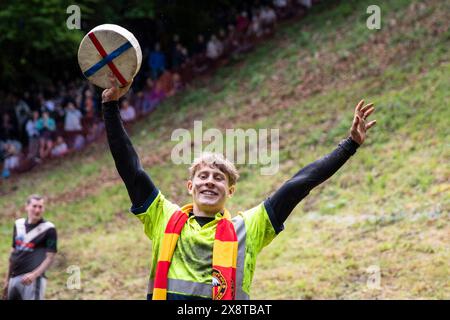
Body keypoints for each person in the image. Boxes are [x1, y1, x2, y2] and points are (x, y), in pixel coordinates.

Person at [101, 78, 376, 300]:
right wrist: (110, 106)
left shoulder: (249, 227)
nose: (210, 181)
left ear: (230, 191)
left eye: (219, 178)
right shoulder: (163, 217)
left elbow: (299, 184)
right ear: (190, 186)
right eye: (203, 176)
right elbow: (131, 169)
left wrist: (348, 146)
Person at [2, 195, 57, 300]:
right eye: (34, 206)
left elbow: (50, 257)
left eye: (40, 207)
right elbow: (13, 253)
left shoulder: (49, 229)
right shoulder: (18, 225)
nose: (37, 210)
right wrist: (7, 280)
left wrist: (34, 275)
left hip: (33, 280)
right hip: (14, 277)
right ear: (26, 207)